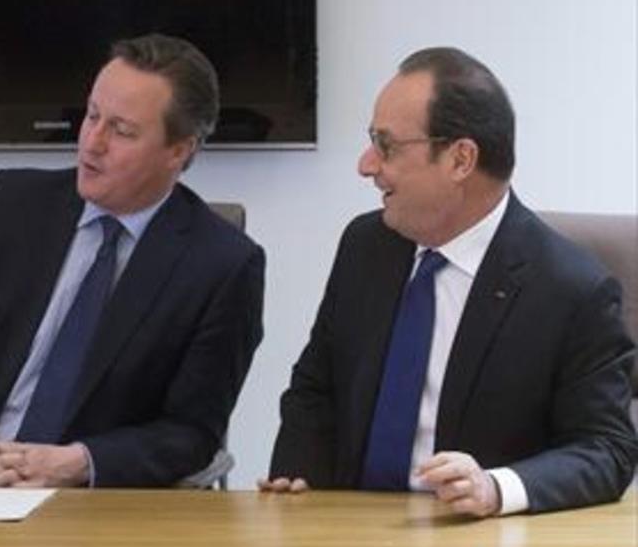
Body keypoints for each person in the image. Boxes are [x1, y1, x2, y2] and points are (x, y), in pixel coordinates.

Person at [262, 47, 637, 515]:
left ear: (461, 159)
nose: (366, 164)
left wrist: (495, 488)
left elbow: (607, 450)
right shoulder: (366, 246)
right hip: (349, 528)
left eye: (387, 145)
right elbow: (316, 389)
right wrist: (299, 478)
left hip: (473, 538)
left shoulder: (573, 289)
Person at [0, 33, 265, 488]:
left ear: (179, 149)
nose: (92, 142)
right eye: (92, 116)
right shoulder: (10, 206)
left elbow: (191, 432)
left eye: (122, 131)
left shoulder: (222, 265)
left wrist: (79, 463)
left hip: (98, 502)